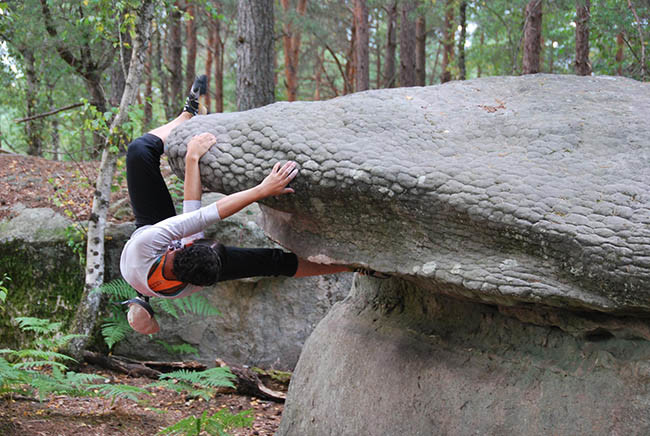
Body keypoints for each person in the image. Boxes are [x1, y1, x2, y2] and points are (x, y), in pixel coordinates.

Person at [120, 76, 353, 334]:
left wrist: (193, 158)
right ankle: (352, 265)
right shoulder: (193, 282)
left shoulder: (148, 243)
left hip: (145, 245)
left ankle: (186, 116)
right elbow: (202, 216)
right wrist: (354, 266)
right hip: (160, 275)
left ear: (180, 248)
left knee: (139, 151)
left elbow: (203, 212)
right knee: (273, 262)